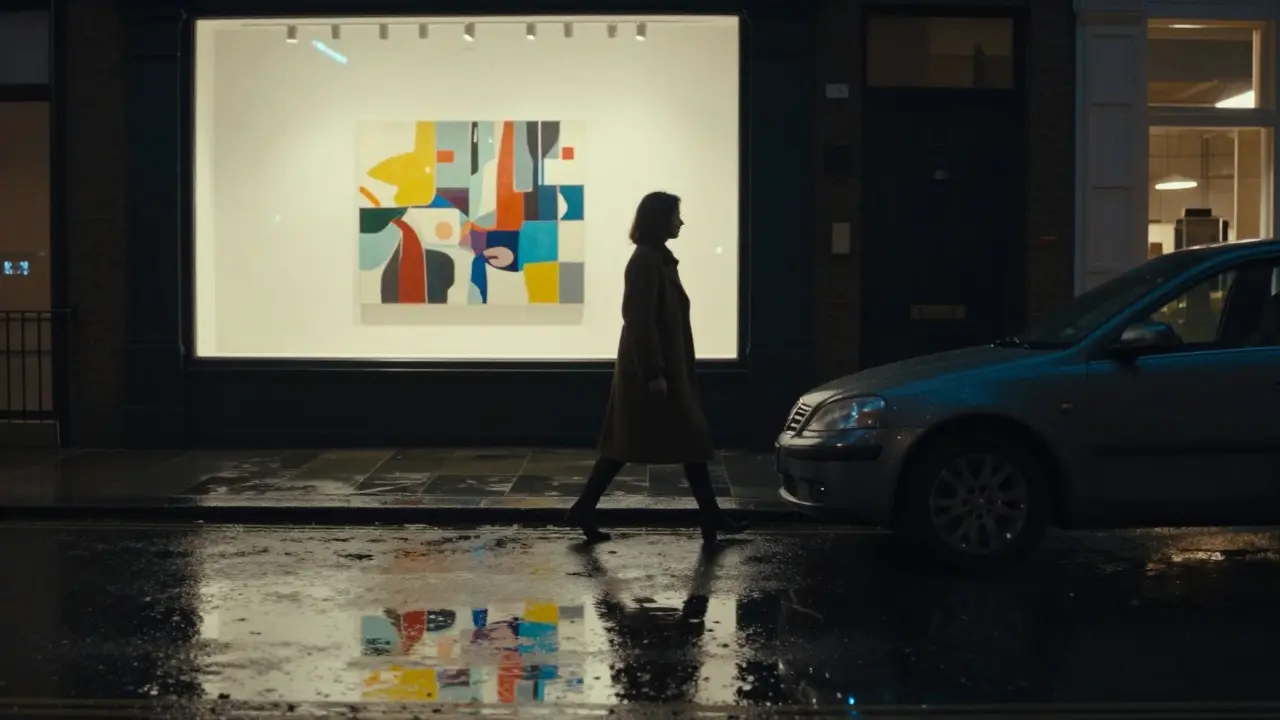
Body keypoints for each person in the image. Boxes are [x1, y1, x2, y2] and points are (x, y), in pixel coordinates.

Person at [566, 191, 748, 544]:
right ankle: (586, 507)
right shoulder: (646, 262)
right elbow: (639, 321)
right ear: (659, 219)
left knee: (680, 442)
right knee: (634, 444)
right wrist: (654, 373)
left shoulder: (657, 260)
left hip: (665, 369)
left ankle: (710, 515)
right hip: (653, 373)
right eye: (676, 215)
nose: (681, 222)